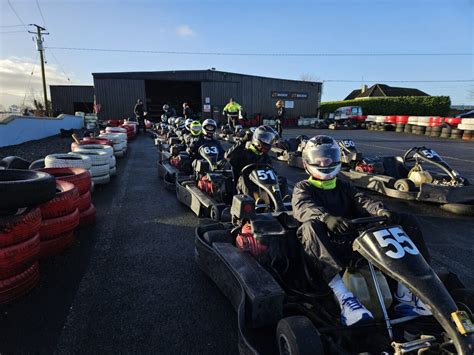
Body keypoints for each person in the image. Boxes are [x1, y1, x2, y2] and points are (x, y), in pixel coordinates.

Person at [291, 135, 432, 327]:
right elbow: (303, 207)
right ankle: (345, 298)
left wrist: (380, 210)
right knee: (309, 226)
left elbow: (362, 199)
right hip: (327, 246)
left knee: (407, 220)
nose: (325, 162)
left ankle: (407, 291)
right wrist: (325, 218)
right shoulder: (303, 187)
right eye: (319, 159)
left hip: (356, 240)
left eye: (329, 157)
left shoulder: (343, 186)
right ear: (308, 163)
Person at [225, 125, 283, 198]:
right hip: (243, 190)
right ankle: (254, 202)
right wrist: (243, 141)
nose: (268, 142)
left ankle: (282, 201)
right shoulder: (243, 153)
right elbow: (228, 156)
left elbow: (272, 174)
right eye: (265, 139)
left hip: (264, 187)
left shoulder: (266, 157)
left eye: (269, 140)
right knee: (244, 178)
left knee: (281, 180)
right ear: (257, 138)